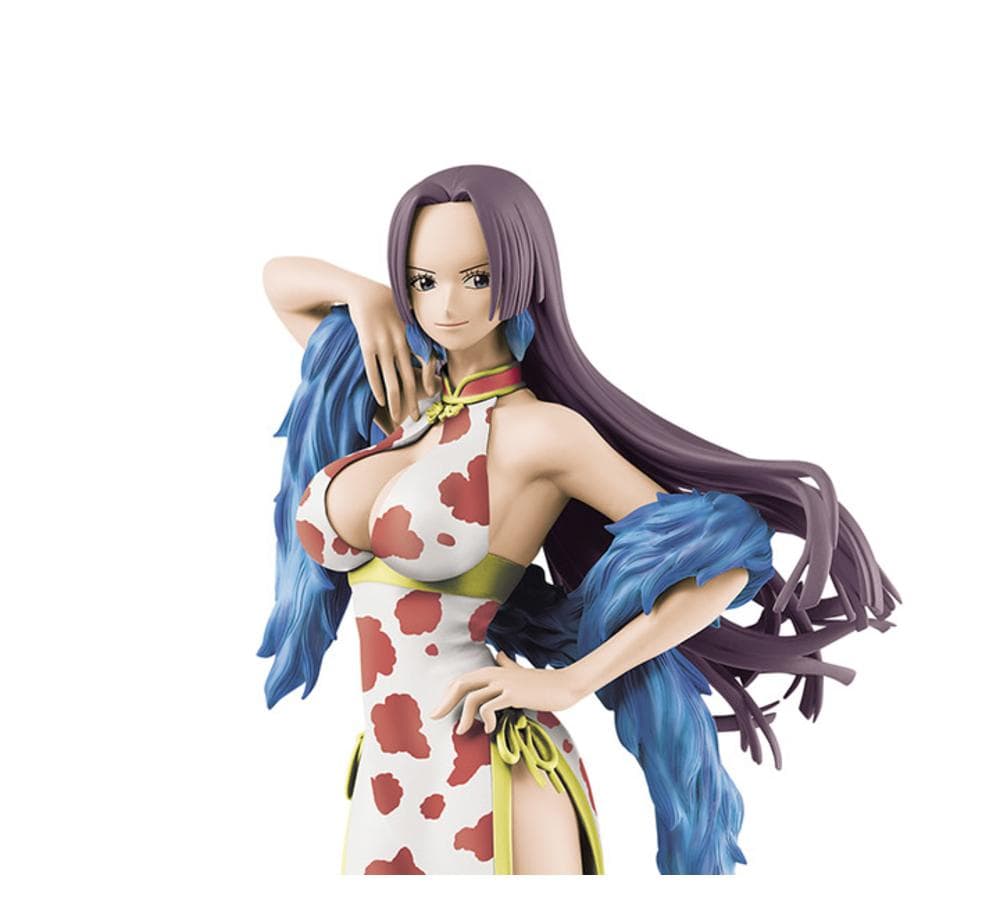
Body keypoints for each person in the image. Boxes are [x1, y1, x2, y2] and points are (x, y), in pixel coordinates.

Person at [258, 165, 898, 875]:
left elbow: (729, 553)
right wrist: (367, 294)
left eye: (476, 278)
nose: (446, 305)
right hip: (387, 772)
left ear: (521, 274)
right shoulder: (405, 401)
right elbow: (279, 283)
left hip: (490, 767)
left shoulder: (541, 434)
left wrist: (572, 682)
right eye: (424, 280)